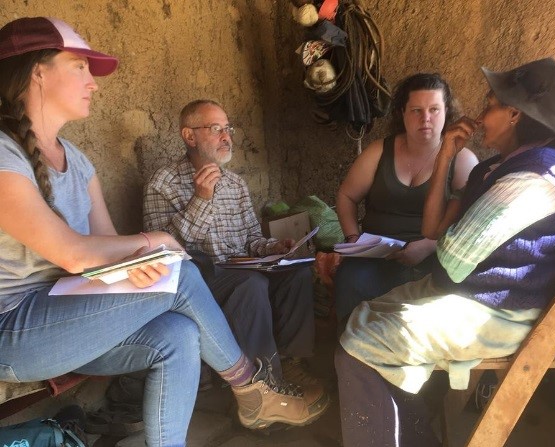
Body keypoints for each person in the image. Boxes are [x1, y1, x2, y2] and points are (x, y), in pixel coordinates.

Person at [0, 17, 328, 447]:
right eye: (79, 66)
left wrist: (132, 268)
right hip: (16, 331)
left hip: (70, 318)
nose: (93, 83)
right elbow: (75, 255)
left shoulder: (78, 162)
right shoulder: (5, 153)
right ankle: (252, 388)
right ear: (37, 72)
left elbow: (107, 249)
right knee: (182, 277)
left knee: (178, 333)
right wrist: (154, 243)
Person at [335, 57, 555, 447]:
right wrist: (444, 157)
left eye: (490, 105)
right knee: (361, 317)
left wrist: (447, 235)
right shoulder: (497, 168)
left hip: (497, 312)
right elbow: (432, 230)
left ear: (516, 114)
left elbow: (452, 259)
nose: (481, 114)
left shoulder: (537, 178)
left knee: (356, 349)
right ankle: (417, 437)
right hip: (470, 295)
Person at [143, 99, 321, 388]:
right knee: (250, 285)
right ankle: (262, 387)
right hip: (198, 280)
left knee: (297, 273)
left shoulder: (235, 183)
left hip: (241, 269)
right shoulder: (162, 183)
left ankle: (293, 363)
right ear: (189, 136)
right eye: (216, 129)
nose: (227, 137)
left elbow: (251, 238)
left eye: (228, 129)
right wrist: (201, 198)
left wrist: (274, 248)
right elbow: (162, 253)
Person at [334, 73, 478, 323]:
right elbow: (347, 195)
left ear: (447, 112)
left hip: (432, 257)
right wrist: (353, 239)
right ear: (402, 113)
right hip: (376, 256)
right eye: (416, 110)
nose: (426, 118)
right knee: (350, 279)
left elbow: (470, 224)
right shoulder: (380, 150)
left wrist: (429, 246)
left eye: (434, 109)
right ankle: (352, 356)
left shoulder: (463, 160)